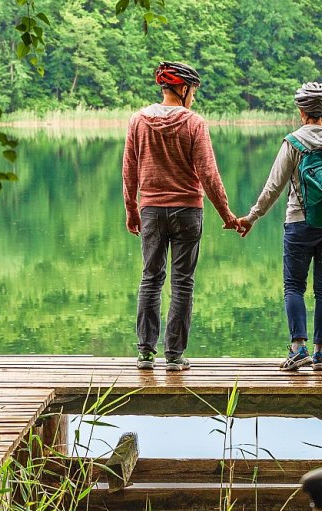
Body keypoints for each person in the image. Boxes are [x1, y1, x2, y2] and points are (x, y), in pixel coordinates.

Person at [122, 61, 242, 372]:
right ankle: (174, 356)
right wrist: (226, 214)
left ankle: (145, 354)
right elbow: (208, 173)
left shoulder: (138, 120)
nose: (194, 99)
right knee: (183, 283)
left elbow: (129, 169)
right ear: (183, 89)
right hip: (188, 211)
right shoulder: (194, 123)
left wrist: (131, 209)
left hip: (150, 210)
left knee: (150, 278)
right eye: (194, 93)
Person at [235, 82, 322, 371]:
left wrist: (251, 218)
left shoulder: (293, 142)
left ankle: (298, 349)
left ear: (301, 112)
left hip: (299, 223)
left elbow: (273, 187)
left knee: (294, 286)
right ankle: (320, 356)